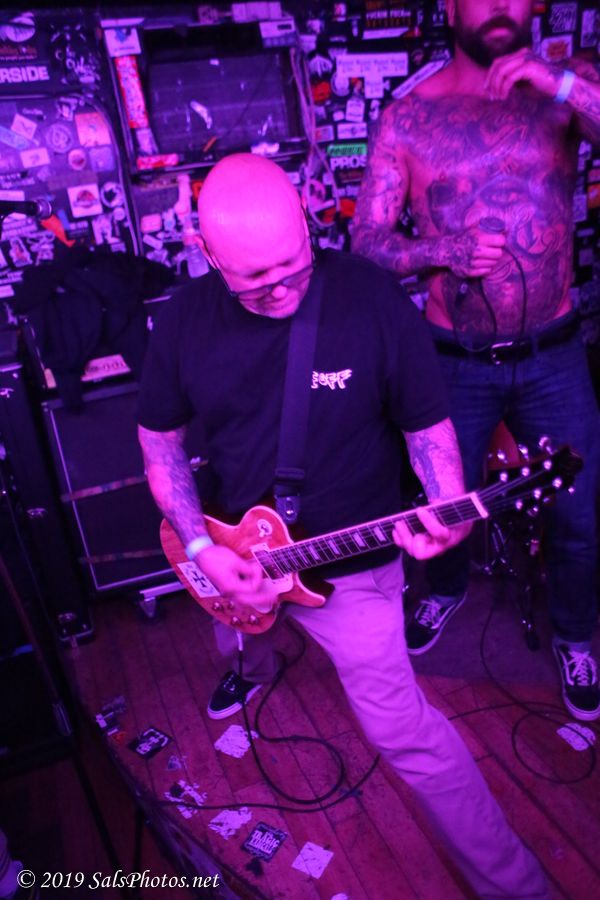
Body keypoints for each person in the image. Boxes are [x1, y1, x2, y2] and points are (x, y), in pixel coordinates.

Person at [138, 152, 548, 897]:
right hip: (233, 550)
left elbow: (426, 426)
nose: (281, 289)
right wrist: (200, 545)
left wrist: (447, 504)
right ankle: (249, 661)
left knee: (404, 733)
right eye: (254, 281)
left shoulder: (370, 300)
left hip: (349, 571)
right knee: (240, 632)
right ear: (207, 254)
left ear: (305, 217)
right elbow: (160, 443)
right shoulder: (183, 322)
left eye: (292, 266)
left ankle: (517, 886)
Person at [351, 0, 600, 721]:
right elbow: (365, 243)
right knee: (443, 502)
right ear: (451, 6)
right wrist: (443, 251)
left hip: (554, 353)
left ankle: (576, 635)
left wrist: (555, 81)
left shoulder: (569, 88)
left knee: (580, 510)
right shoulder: (408, 116)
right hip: (452, 361)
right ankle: (445, 590)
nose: (498, 4)